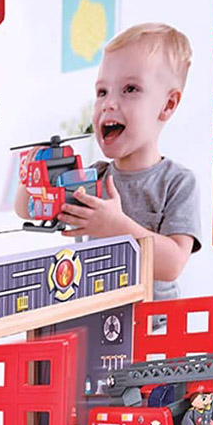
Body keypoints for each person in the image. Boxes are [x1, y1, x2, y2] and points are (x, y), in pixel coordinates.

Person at [56, 23, 202, 299]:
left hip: (152, 320)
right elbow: (28, 209)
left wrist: (116, 227)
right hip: (92, 313)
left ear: (168, 105)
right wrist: (33, 174)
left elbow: (173, 264)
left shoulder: (177, 183)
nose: (108, 103)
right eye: (102, 92)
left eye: (130, 89)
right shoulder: (92, 178)